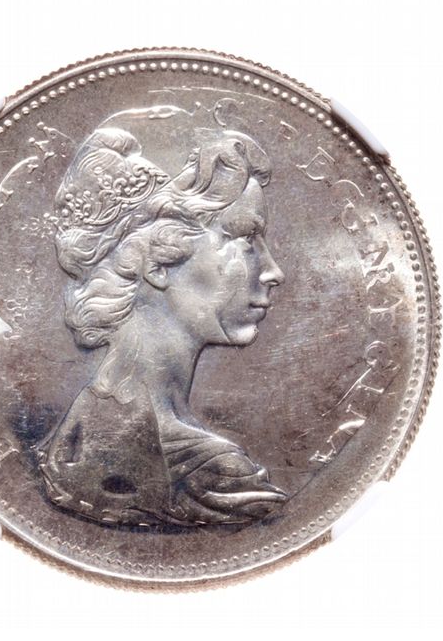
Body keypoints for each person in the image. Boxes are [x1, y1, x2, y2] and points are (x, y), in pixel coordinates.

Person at [39, 124, 288, 526]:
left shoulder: (76, 435)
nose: (274, 271)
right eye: (244, 239)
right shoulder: (217, 476)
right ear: (156, 264)